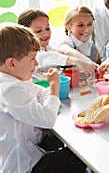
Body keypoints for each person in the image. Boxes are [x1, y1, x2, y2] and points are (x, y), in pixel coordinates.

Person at [0, 23, 87, 172]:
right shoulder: (10, 89)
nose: (37, 63)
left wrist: (50, 94)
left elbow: (41, 93)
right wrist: (54, 86)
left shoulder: (16, 79)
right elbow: (47, 119)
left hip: (32, 150)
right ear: (12, 63)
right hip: (24, 166)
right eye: (32, 59)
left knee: (63, 140)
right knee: (81, 154)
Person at [18, 8, 97, 77]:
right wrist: (77, 61)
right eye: (38, 31)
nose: (45, 33)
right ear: (25, 33)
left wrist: (90, 70)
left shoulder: (49, 48)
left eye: (47, 28)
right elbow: (43, 57)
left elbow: (59, 65)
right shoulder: (25, 53)